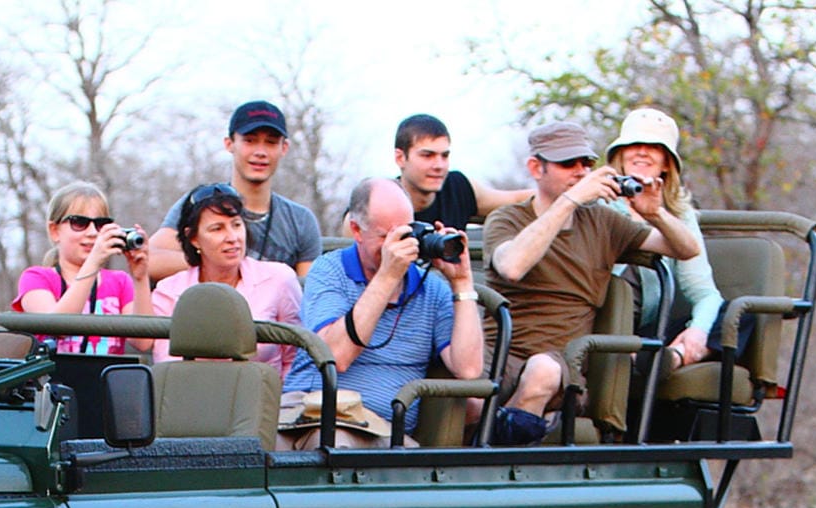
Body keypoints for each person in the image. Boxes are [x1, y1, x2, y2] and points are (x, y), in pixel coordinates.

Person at [483, 120, 700, 421]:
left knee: (541, 373)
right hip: (499, 350)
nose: (581, 172)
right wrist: (569, 202)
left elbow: (687, 248)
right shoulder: (507, 219)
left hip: (559, 362)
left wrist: (655, 213)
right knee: (465, 391)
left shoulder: (602, 222)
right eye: (567, 163)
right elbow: (512, 267)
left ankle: (501, 448)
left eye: (586, 163)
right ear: (536, 168)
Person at [278, 178, 481, 449]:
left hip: (386, 431)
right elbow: (335, 356)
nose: (396, 246)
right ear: (356, 230)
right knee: (335, 444)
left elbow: (468, 370)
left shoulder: (431, 288)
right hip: (317, 414)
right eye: (386, 236)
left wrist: (462, 282)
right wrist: (387, 277)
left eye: (405, 234)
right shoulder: (329, 271)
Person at [603, 107, 728, 372]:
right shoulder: (600, 199)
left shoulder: (679, 213)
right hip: (604, 318)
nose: (642, 152)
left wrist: (697, 331)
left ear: (666, 162)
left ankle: (674, 358)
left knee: (739, 316)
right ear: (620, 155)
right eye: (633, 144)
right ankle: (637, 358)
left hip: (649, 329)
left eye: (653, 147)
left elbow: (704, 293)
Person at [148, 101, 323, 281]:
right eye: (250, 141)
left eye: (270, 143)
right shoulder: (202, 203)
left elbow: (309, 293)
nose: (260, 152)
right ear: (230, 144)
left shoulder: (300, 220)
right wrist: (213, 262)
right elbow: (149, 261)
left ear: (284, 148)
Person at [151, 182, 303, 375]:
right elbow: (164, 363)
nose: (232, 237)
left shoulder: (279, 279)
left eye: (237, 225)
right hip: (190, 398)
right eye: (217, 229)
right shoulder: (169, 290)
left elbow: (295, 358)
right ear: (194, 238)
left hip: (266, 399)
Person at [12, 181, 154, 355]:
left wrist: (140, 277)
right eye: (79, 223)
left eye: (100, 224)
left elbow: (144, 342)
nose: (92, 232)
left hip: (106, 378)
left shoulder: (120, 281)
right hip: (52, 379)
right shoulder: (36, 278)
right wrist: (93, 263)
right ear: (54, 230)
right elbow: (57, 327)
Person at [393, 113, 529, 230]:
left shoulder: (457, 188)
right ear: (400, 158)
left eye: (444, 156)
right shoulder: (382, 201)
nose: (439, 165)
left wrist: (550, 201)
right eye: (427, 156)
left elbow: (514, 200)